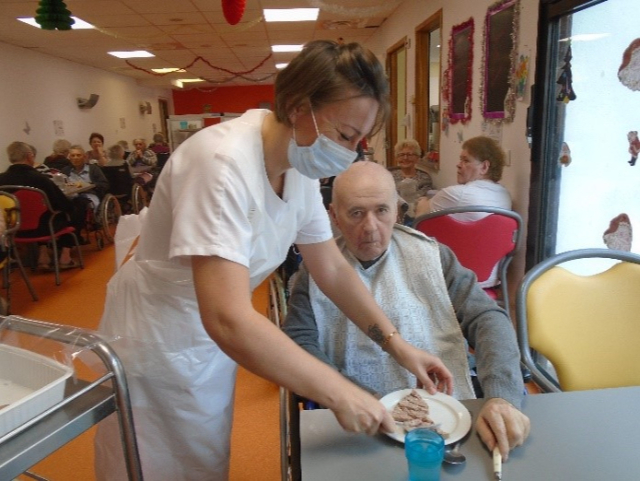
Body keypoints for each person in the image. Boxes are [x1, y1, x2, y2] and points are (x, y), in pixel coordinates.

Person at [94, 40, 454, 481]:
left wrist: (397, 345)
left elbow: (332, 269)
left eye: (359, 140)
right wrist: (338, 390)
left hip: (210, 332)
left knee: (203, 457)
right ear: (298, 106)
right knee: (157, 464)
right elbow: (226, 317)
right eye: (345, 135)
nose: (349, 151)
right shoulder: (221, 165)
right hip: (160, 337)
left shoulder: (297, 166)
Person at [284, 160, 530, 459]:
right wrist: (350, 394)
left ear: (398, 210)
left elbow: (487, 318)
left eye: (382, 211)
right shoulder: (315, 272)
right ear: (334, 215)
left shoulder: (433, 256)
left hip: (446, 415)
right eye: (356, 213)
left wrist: (502, 395)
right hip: (357, 425)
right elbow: (299, 342)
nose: (370, 227)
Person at [0, 142, 77, 268]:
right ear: (30, 156)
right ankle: (65, 256)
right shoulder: (40, 179)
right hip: (42, 228)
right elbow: (62, 204)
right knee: (67, 213)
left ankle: (43, 254)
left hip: (12, 230)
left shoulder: (1, 180)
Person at [415, 136, 511, 221]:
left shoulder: (456, 194)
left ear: (484, 167)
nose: (458, 165)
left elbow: (420, 218)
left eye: (466, 160)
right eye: (461, 160)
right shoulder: (505, 196)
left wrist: (422, 202)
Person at [390, 139, 432, 225]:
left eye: (409, 155)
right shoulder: (389, 176)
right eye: (401, 155)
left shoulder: (424, 177)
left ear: (417, 158)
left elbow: (421, 200)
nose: (405, 158)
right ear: (397, 158)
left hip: (415, 216)